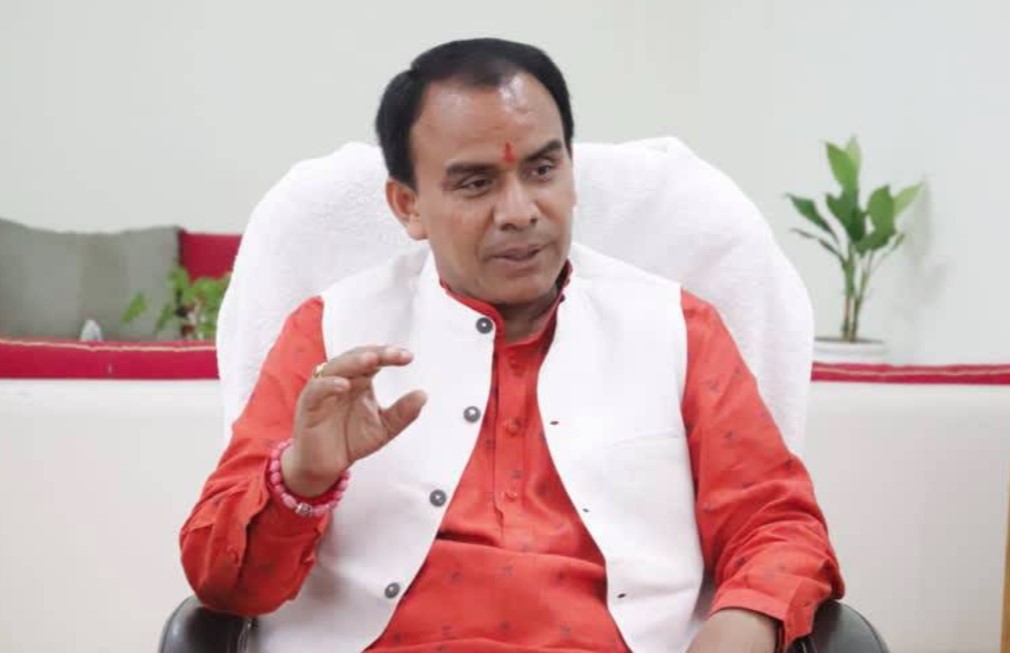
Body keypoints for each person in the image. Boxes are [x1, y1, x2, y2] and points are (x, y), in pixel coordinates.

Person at [180, 38, 843, 653]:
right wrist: (304, 477)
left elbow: (775, 525)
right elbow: (222, 583)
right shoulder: (329, 333)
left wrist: (744, 622)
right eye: (476, 183)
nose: (520, 211)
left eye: (543, 169)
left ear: (572, 175)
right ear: (408, 206)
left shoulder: (677, 328)